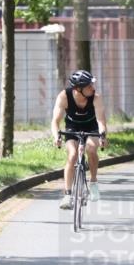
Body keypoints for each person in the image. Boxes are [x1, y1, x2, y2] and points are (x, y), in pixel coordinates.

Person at [52, 69, 107, 209]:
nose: (92, 88)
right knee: (72, 155)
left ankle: (93, 182)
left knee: (91, 148)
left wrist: (103, 136)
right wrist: (56, 136)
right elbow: (55, 121)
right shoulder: (64, 96)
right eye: (89, 86)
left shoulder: (96, 97)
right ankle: (67, 195)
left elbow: (101, 120)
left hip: (92, 128)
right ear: (78, 89)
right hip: (72, 128)